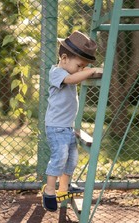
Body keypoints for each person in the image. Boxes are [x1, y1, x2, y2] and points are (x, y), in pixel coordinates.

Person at [42, 31, 102, 212]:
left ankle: (64, 187)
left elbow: (76, 75)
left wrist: (85, 71)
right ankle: (49, 191)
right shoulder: (57, 73)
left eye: (84, 67)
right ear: (65, 58)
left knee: (72, 160)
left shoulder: (71, 70)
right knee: (59, 158)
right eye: (80, 66)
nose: (81, 70)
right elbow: (70, 79)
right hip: (55, 127)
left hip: (66, 128)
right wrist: (90, 71)